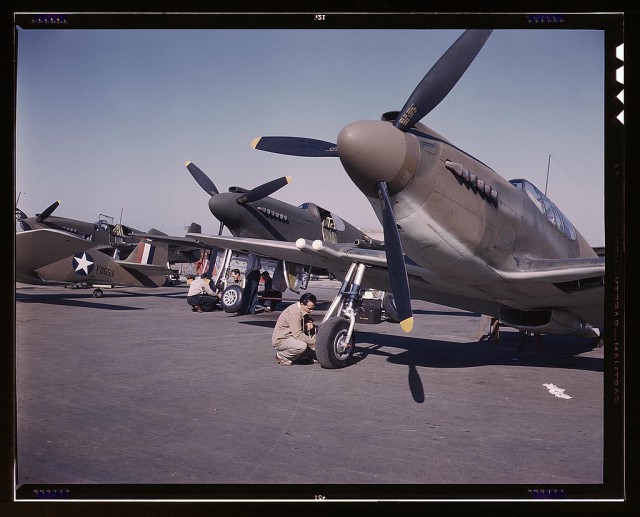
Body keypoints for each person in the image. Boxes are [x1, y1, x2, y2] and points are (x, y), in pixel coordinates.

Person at [272, 293, 318, 365]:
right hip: (282, 339)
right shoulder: (294, 313)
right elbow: (298, 335)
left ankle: (304, 356)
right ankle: (282, 356)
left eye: (313, 308)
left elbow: (305, 317)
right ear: (302, 304)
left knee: (314, 330)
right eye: (309, 308)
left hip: (292, 336)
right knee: (301, 346)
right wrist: (315, 344)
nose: (311, 311)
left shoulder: (301, 308)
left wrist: (309, 321)